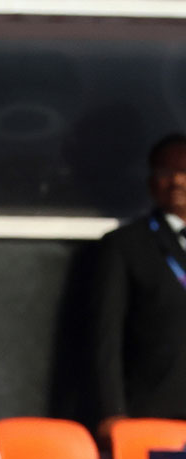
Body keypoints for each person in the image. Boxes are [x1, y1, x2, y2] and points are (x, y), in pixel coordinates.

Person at [92, 133, 186, 434]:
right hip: (153, 410)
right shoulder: (126, 245)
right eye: (165, 173)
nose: (176, 182)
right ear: (150, 182)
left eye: (185, 173)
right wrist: (113, 411)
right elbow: (107, 334)